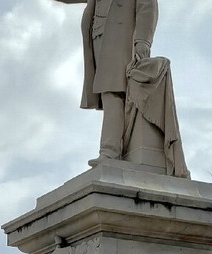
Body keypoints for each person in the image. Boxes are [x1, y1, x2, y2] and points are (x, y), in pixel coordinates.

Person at [65, 0, 159, 161]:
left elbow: (148, 5)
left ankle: (110, 151)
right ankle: (111, 150)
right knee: (108, 92)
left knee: (113, 91)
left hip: (120, 34)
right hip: (97, 37)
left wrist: (143, 40)